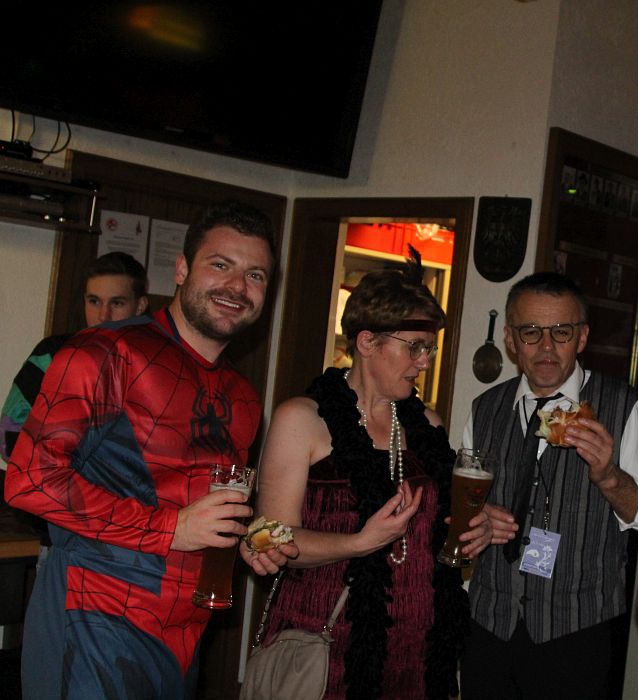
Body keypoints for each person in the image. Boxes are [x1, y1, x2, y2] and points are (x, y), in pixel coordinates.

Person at [4, 201, 276, 699]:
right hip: (95, 618)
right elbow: (29, 480)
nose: (237, 286)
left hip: (185, 637)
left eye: (255, 275)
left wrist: (248, 537)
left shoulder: (243, 397)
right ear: (181, 269)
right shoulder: (104, 351)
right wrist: (173, 528)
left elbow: (193, 503)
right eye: (221, 264)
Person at [242, 266, 499, 700]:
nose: (424, 362)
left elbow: (440, 530)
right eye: (415, 347)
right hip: (324, 646)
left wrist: (479, 528)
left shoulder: (426, 424)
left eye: (430, 349)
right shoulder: (302, 420)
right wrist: (359, 543)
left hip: (417, 652)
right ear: (367, 342)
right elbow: (268, 538)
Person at [459, 271, 638, 699]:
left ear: (582, 337)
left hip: (576, 633)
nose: (547, 346)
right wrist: (474, 518)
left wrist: (609, 476)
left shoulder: (621, 407)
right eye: (531, 332)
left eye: (562, 332)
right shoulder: (485, 408)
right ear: (511, 339)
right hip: (489, 623)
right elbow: (460, 511)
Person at [1, 251, 149, 462]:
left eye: (117, 303)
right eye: (94, 301)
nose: (103, 315)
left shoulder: (153, 366)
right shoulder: (52, 353)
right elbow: (8, 436)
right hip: (50, 477)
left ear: (140, 306)